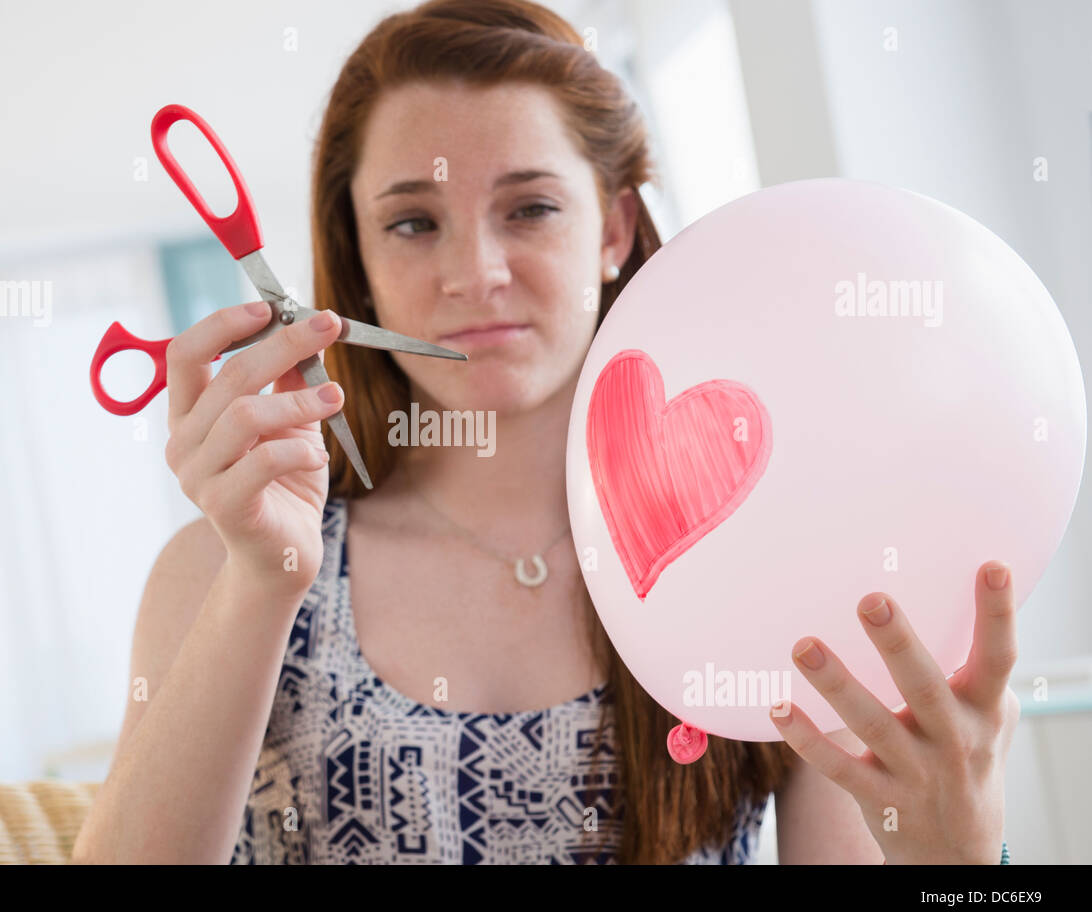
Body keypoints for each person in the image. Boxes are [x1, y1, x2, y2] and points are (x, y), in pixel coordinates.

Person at [73, 0, 1017, 865]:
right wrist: (260, 586)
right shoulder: (223, 572)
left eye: (529, 208)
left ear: (613, 230)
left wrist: (963, 861)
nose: (474, 272)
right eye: (412, 222)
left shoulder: (778, 576)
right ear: (354, 261)